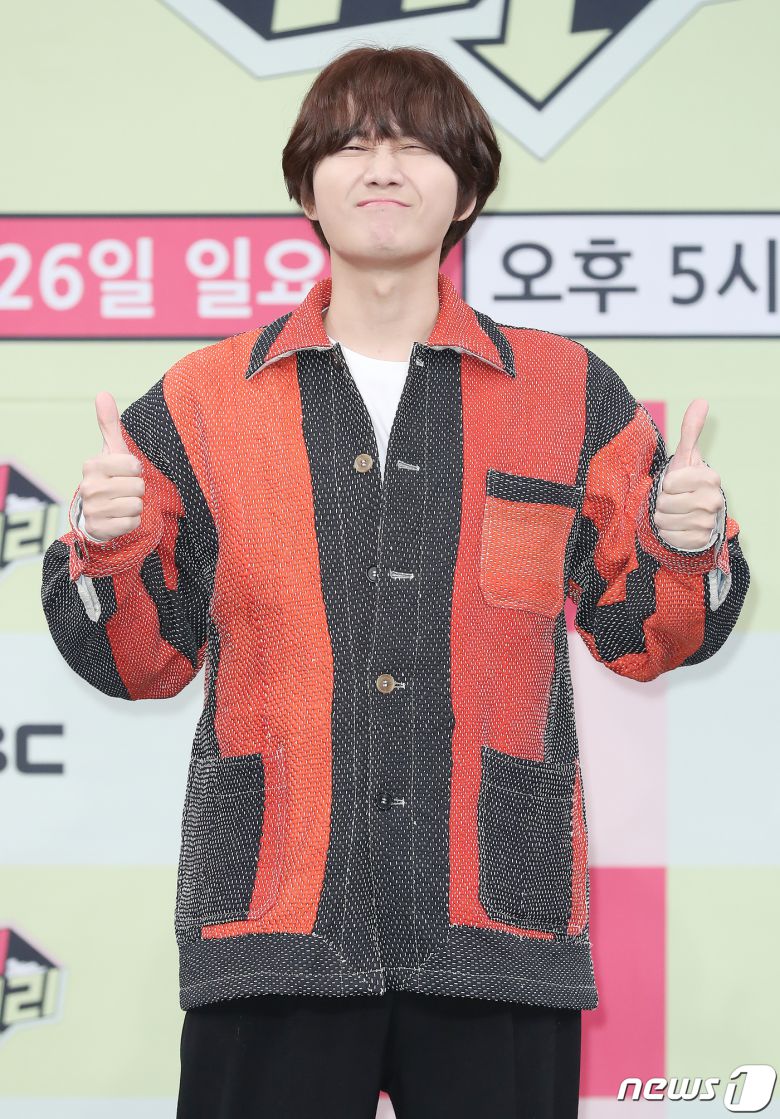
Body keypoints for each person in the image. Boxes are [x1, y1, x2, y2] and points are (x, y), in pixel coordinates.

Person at [40, 44, 750, 1119]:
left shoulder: (565, 389)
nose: (382, 166)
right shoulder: (200, 399)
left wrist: (683, 544)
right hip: (274, 921)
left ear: (467, 191)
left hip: (496, 925)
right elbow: (139, 663)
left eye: (415, 143)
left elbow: (643, 637)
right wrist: (107, 542)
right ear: (306, 188)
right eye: (352, 143)